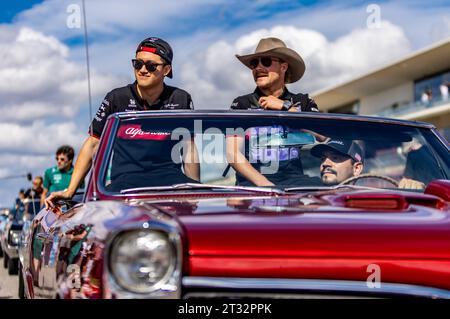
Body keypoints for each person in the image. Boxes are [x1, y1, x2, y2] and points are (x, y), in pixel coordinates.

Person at [45, 37, 197, 208]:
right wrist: (69, 191)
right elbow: (93, 143)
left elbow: (188, 147)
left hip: (169, 183)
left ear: (166, 69)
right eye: (137, 64)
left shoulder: (180, 98)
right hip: (125, 186)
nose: (143, 70)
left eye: (151, 66)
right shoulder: (116, 98)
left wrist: (196, 193)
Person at [227, 37, 319, 186]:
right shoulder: (240, 104)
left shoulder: (304, 102)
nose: (258, 68)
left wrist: (285, 107)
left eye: (266, 62)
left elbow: (323, 136)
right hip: (252, 186)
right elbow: (232, 154)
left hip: (295, 183)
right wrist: (267, 186)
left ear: (283, 67)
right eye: (254, 63)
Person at [311, 139, 425, 189]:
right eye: (322, 159)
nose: (325, 163)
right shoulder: (304, 192)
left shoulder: (370, 199)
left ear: (356, 168)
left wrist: (413, 187)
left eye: (335, 157)